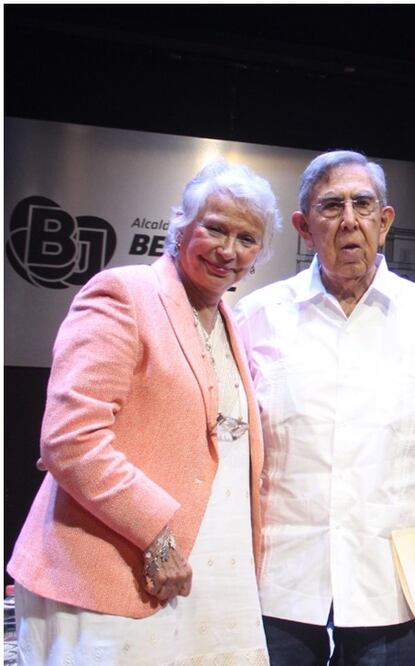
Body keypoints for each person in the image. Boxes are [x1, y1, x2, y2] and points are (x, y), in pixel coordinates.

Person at [8, 160, 281, 664]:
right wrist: (157, 538)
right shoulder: (123, 293)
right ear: (180, 226)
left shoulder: (231, 323)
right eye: (215, 228)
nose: (228, 250)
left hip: (210, 580)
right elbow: (71, 440)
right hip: (111, 574)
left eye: (247, 238)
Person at [234, 150, 415, 666]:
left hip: (391, 591)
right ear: (303, 227)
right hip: (278, 587)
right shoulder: (257, 315)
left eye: (363, 204)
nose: (349, 220)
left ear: (385, 221)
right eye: (331, 206)